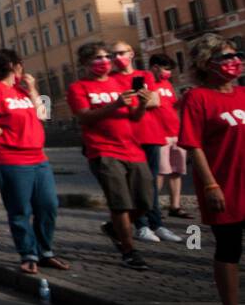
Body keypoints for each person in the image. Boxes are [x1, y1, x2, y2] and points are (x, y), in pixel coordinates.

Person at [0, 48, 67, 275]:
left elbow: (43, 114)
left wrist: (33, 89)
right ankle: (28, 254)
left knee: (48, 205)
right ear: (13, 66)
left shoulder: (21, 91)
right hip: (9, 157)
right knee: (20, 208)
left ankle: (45, 251)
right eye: (20, 64)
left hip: (37, 156)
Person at [178, 34, 245, 305]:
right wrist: (210, 184)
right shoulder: (198, 98)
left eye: (236, 55)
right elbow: (194, 145)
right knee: (229, 250)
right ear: (206, 64)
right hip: (225, 185)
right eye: (225, 57)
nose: (234, 62)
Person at [67, 41, 154, 271]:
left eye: (106, 57)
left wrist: (143, 104)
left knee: (146, 201)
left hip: (132, 148)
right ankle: (129, 250)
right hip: (103, 150)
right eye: (98, 58)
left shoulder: (120, 82)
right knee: (120, 204)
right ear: (85, 63)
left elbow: (134, 116)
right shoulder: (79, 87)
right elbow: (84, 117)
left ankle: (114, 229)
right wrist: (115, 105)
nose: (104, 61)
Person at [111, 41, 180, 244]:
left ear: (131, 53)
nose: (117, 57)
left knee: (150, 183)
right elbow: (133, 103)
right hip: (128, 137)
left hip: (150, 133)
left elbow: (154, 101)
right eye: (113, 54)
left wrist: (132, 102)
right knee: (135, 184)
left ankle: (157, 224)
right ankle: (141, 226)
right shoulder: (112, 79)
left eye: (121, 52)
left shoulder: (144, 76)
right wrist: (138, 102)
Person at [148, 53, 189, 220]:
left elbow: (172, 106)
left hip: (175, 132)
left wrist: (183, 100)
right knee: (160, 173)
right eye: (166, 69)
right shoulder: (147, 83)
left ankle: (175, 206)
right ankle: (154, 207)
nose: (168, 73)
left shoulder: (167, 84)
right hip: (159, 134)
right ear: (155, 67)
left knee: (176, 171)